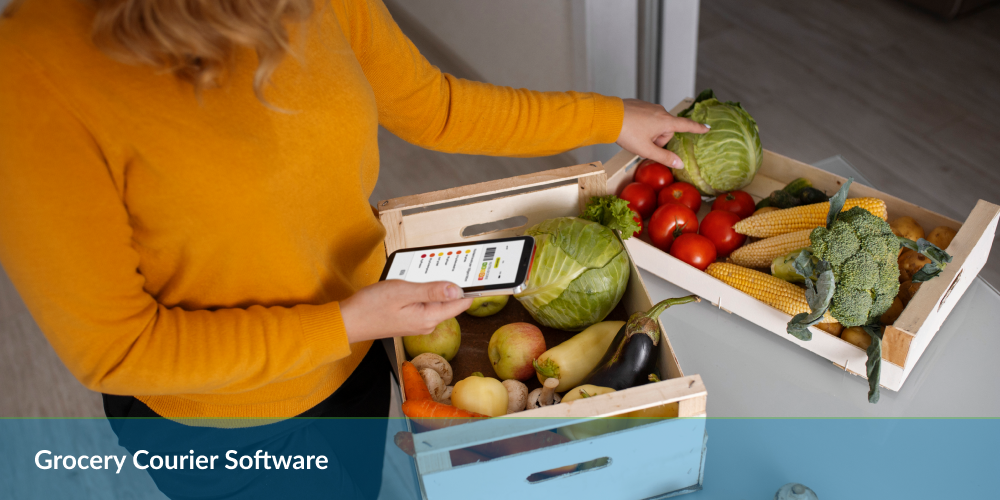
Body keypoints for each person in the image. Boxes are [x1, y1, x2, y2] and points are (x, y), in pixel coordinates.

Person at [0, 0, 708, 497]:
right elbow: (118, 350)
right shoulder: (33, 74)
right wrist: (344, 322)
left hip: (356, 363)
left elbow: (433, 105)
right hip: (223, 432)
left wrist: (609, 115)